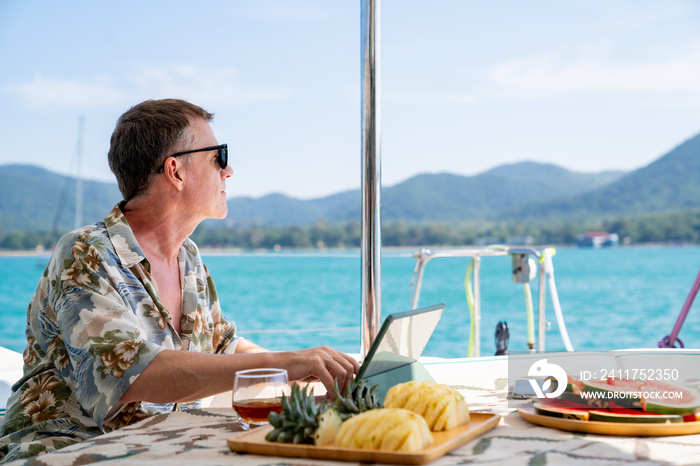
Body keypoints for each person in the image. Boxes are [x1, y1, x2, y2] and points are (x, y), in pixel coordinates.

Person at [0, 99, 359, 462]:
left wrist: (314, 379)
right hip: (63, 452)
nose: (229, 170)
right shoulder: (85, 253)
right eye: (218, 156)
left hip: (154, 452)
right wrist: (289, 362)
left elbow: (225, 348)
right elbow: (134, 374)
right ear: (176, 171)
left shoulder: (189, 261)